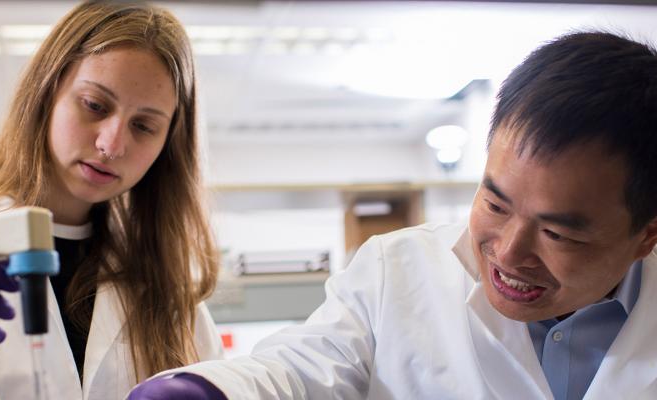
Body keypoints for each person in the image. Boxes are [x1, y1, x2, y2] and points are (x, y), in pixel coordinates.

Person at [128, 31, 657, 400]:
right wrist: (207, 389)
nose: (510, 251)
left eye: (557, 232)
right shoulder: (397, 270)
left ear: (645, 236)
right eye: (495, 203)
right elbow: (300, 370)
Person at [0, 2, 225, 399]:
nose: (111, 145)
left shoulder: (163, 283)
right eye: (95, 105)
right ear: (47, 90)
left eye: (144, 126)